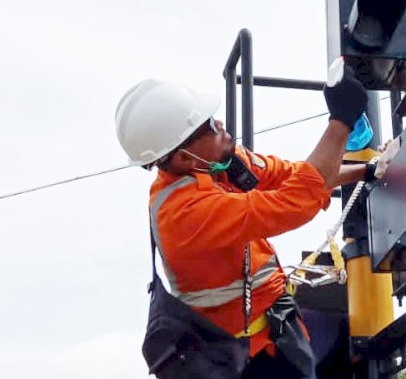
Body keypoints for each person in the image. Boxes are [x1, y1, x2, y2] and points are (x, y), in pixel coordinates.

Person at [115, 63, 376, 378]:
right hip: (249, 358)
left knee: (351, 340)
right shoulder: (184, 213)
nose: (220, 124)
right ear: (184, 157)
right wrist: (341, 122)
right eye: (208, 125)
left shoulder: (216, 163)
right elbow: (292, 203)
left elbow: (296, 178)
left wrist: (368, 170)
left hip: (276, 326)